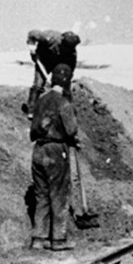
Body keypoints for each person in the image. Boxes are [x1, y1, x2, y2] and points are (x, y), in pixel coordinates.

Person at [29, 64, 79, 251]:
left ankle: (38, 239)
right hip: (56, 150)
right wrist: (74, 138)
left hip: (38, 150)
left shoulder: (41, 100)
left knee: (41, 195)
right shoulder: (63, 102)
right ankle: (58, 239)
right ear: (67, 81)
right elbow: (71, 129)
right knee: (59, 194)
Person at [23, 30, 81, 115]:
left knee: (62, 87)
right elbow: (31, 34)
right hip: (43, 60)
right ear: (62, 41)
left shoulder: (71, 54)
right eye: (66, 46)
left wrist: (65, 81)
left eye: (69, 48)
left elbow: (70, 69)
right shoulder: (49, 37)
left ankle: (66, 111)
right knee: (38, 84)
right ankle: (31, 109)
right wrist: (32, 51)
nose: (67, 49)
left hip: (58, 63)